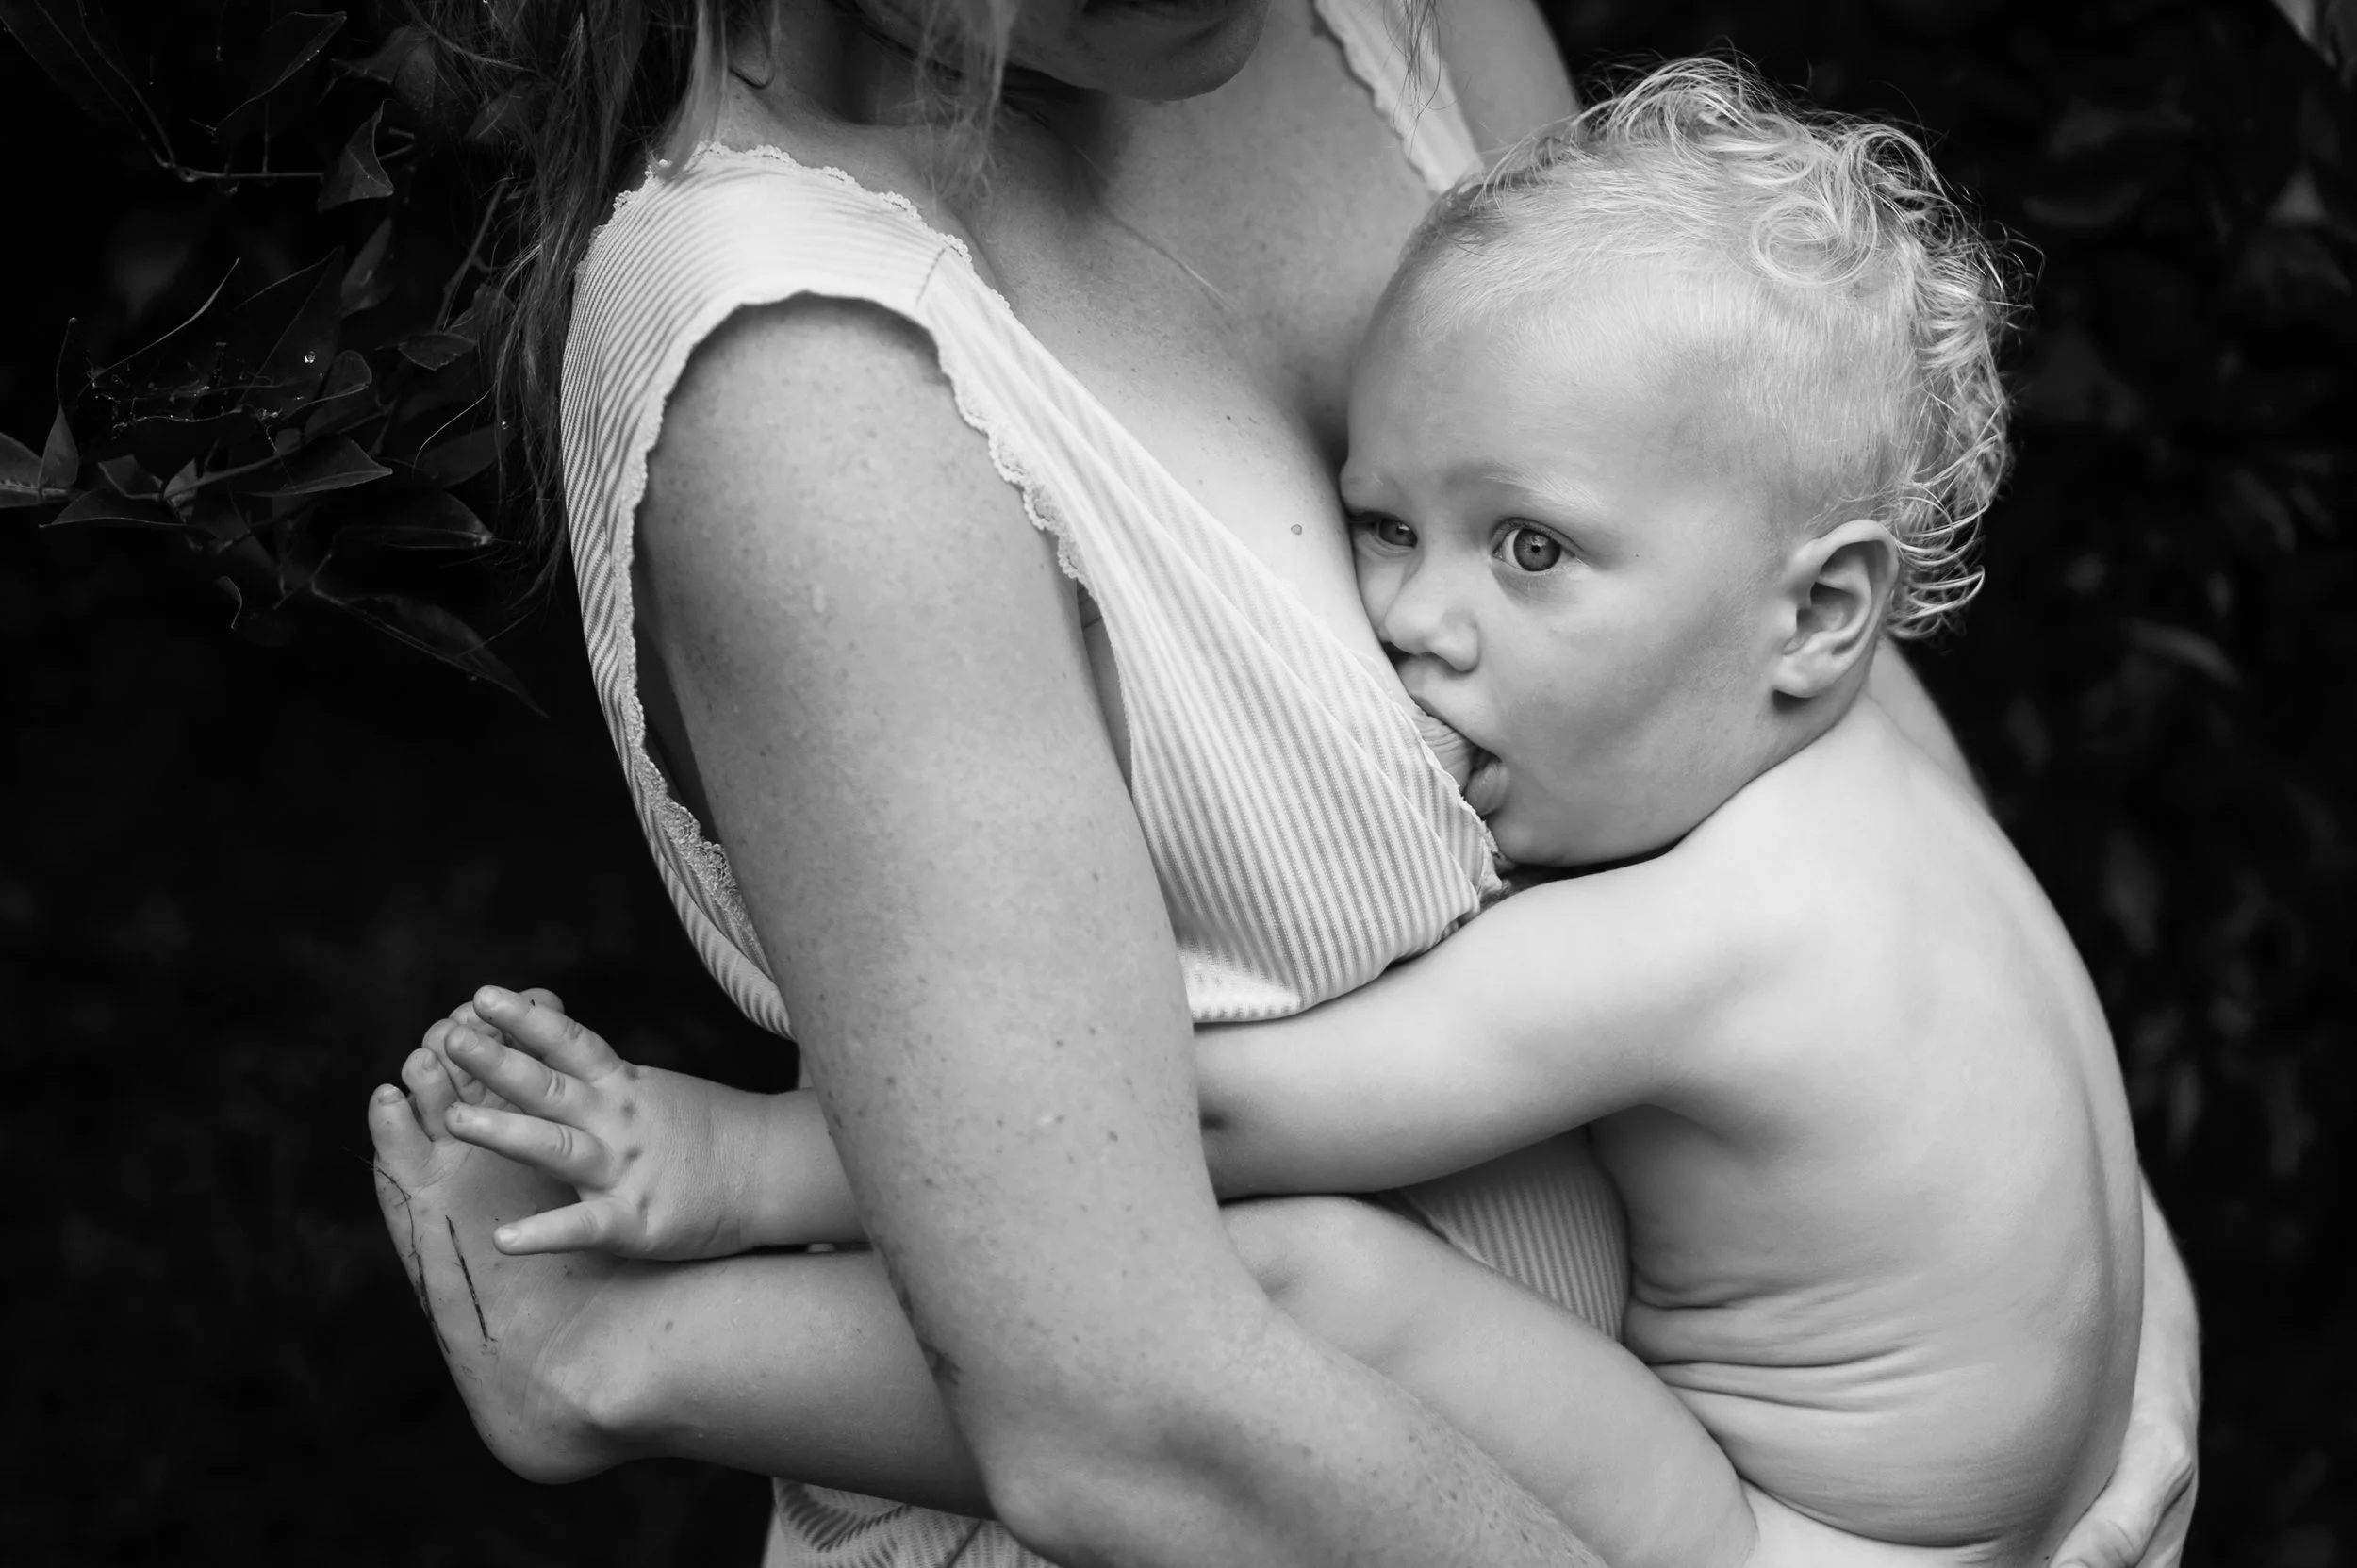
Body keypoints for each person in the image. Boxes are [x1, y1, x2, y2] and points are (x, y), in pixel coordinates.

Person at [367, 2, 2200, 1564]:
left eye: (1525, 552)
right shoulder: (801, 387)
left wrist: (2106, 1315)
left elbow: (1774, 600)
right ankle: (631, 1350)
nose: (1413, 611)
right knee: (1304, 1283)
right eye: (1378, 526)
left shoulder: (1406, 26)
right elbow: (1122, 1394)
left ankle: (632, 1345)